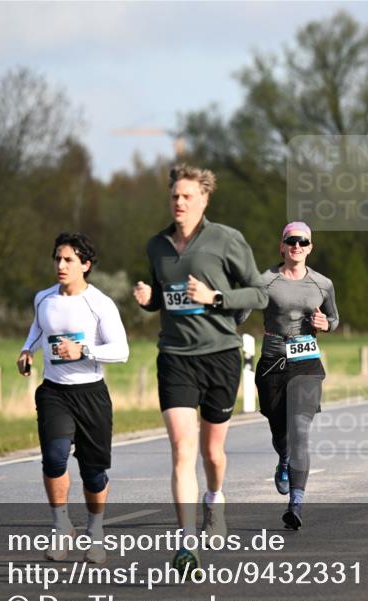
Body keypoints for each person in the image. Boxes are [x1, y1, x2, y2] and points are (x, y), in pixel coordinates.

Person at [133, 164, 268, 573]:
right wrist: (149, 298)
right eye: (174, 195)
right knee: (182, 450)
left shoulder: (226, 239)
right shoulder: (156, 245)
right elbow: (164, 296)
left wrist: (214, 297)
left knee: (212, 452)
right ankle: (186, 544)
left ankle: (215, 498)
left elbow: (259, 292)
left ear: (204, 199)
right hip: (175, 357)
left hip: (220, 356)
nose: (179, 202)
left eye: (187, 196)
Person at [18, 232, 130, 565]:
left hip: (91, 394)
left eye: (68, 260)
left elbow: (121, 351)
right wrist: (27, 350)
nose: (61, 265)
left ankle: (95, 532)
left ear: (85, 264)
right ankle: (60, 526)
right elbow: (38, 328)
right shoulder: (44, 298)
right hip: (54, 392)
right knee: (54, 458)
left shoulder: (99, 304)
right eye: (57, 258)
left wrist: (84, 350)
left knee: (93, 474)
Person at [248, 222, 339, 530]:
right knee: (279, 428)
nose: (297, 246)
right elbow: (241, 311)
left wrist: (326, 324)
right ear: (282, 246)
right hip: (273, 359)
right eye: (291, 241)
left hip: (307, 361)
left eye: (303, 241)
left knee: (300, 429)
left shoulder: (322, 283)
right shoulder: (265, 280)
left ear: (310, 247)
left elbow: (335, 318)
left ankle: (296, 504)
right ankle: (283, 457)